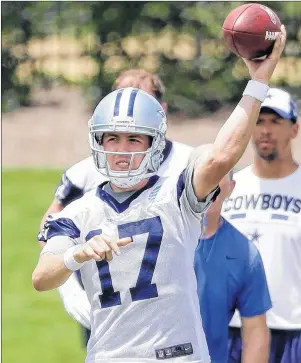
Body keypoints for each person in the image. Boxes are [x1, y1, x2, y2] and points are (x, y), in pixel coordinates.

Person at [32, 27, 286, 363]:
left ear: (155, 144)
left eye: (134, 140)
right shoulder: (77, 212)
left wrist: (258, 82)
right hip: (109, 355)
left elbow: (223, 155)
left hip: (177, 356)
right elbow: (41, 277)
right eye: (112, 138)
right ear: (98, 141)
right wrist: (77, 254)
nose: (121, 151)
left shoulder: (177, 195)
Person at [38, 69, 193, 345]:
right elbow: (51, 226)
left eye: (141, 101)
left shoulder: (186, 162)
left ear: (161, 110)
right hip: (108, 298)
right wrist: (70, 290)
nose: (129, 115)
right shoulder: (87, 170)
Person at [222, 87, 301, 363]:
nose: (265, 130)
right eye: (258, 120)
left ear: (294, 129)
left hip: (292, 331)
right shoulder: (229, 188)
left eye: (275, 121)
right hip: (233, 329)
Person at [194, 161, 271, 363]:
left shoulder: (245, 254)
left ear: (231, 188)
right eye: (205, 171)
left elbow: (255, 332)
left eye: (219, 173)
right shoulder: (158, 236)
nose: (211, 181)